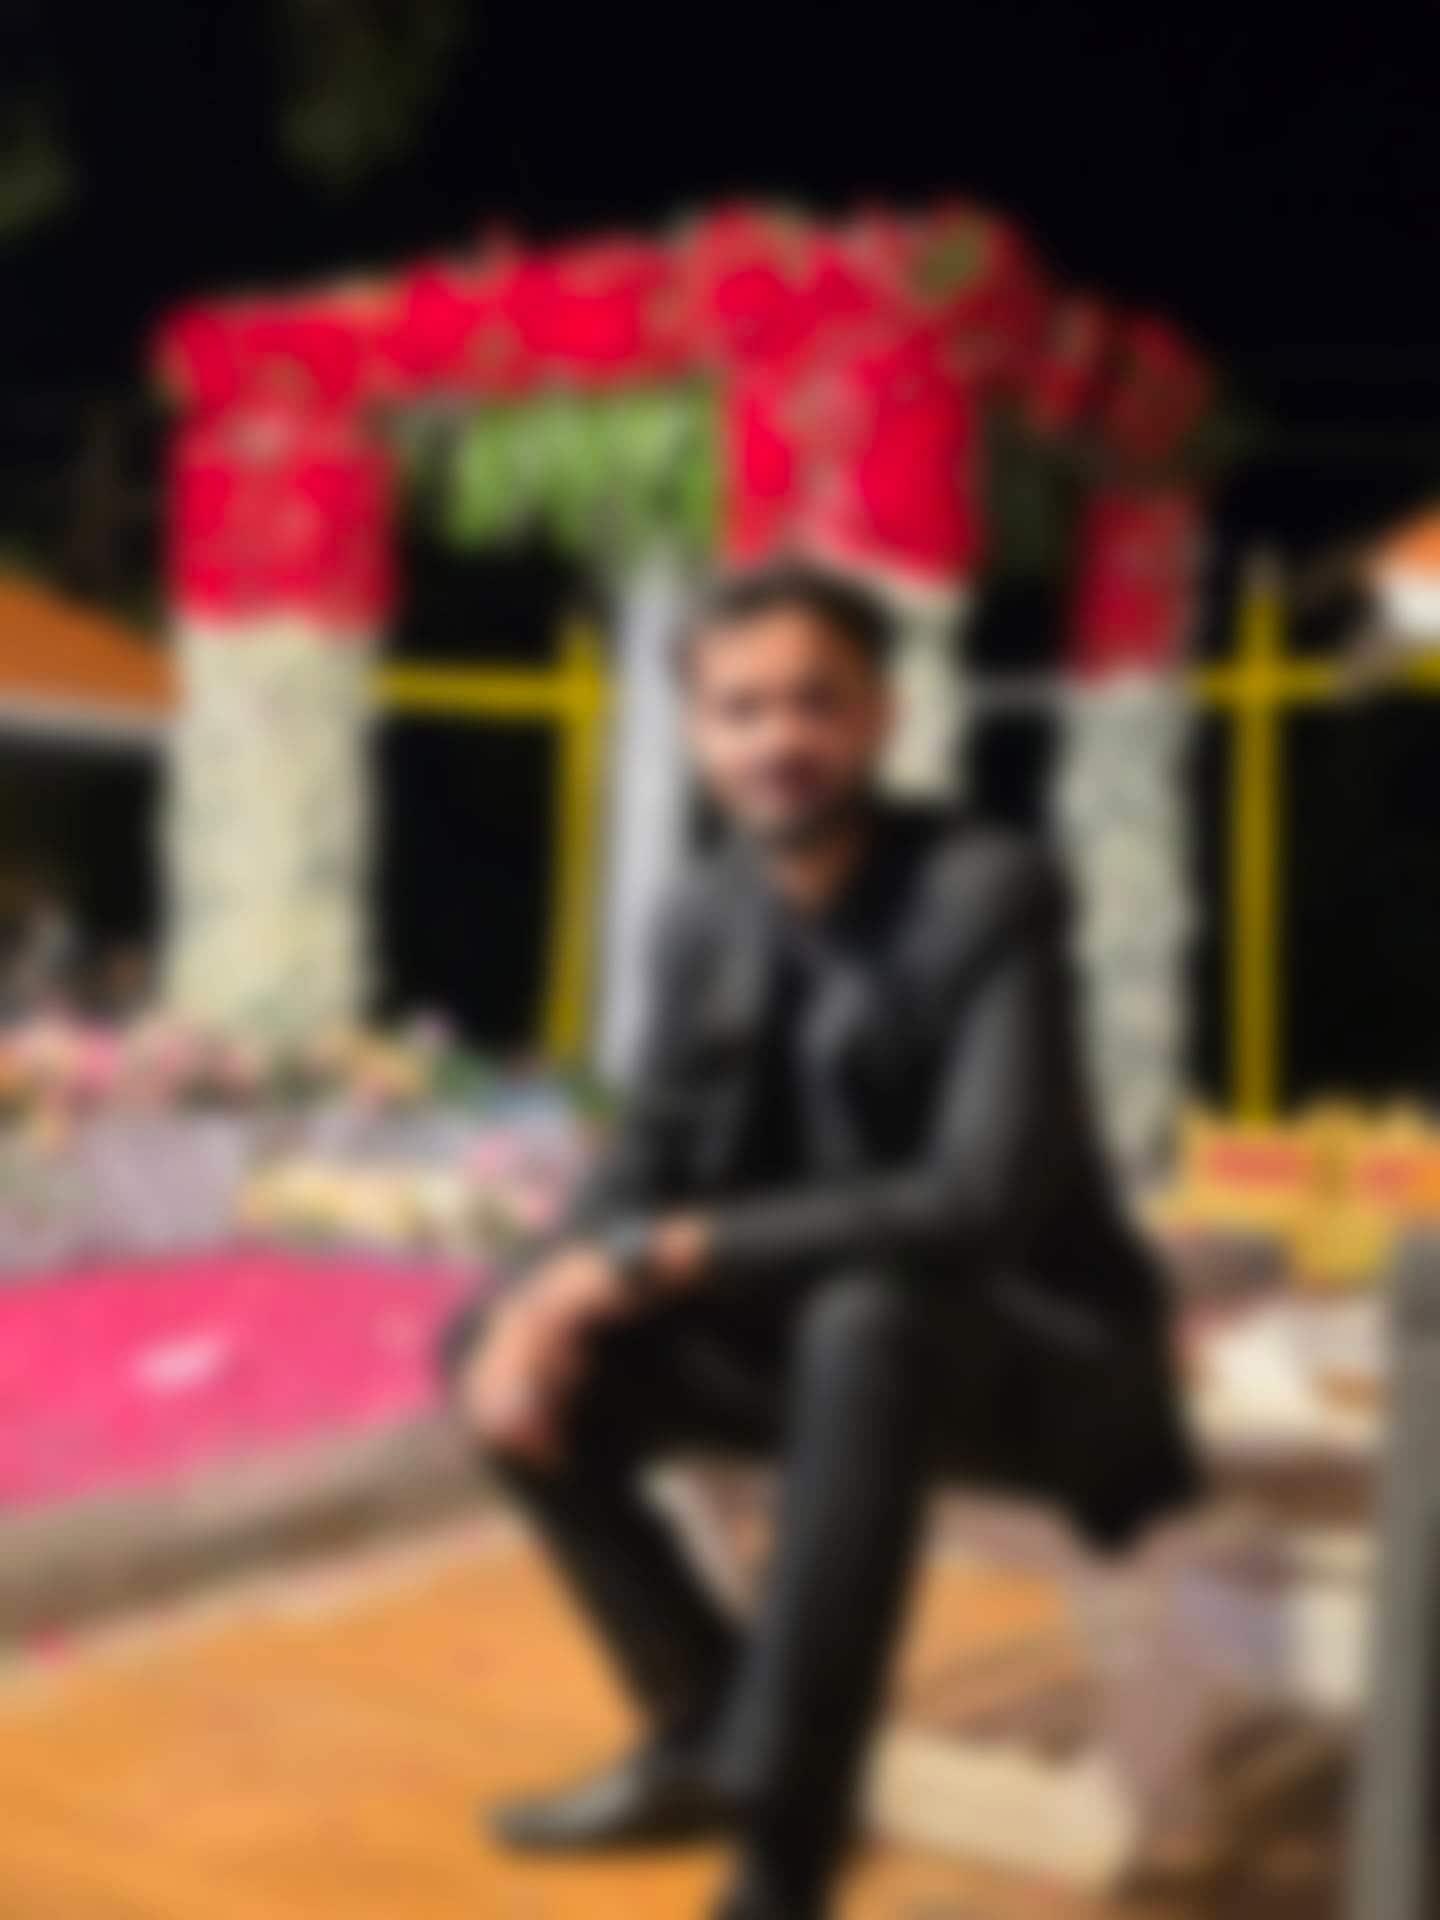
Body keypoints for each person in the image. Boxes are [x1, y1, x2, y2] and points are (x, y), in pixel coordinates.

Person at [448, 560, 1200, 1920]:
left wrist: (659, 1255)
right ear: (697, 733)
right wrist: (534, 1304)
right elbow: (644, 1161)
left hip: (1047, 1361)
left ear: (880, 716)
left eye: (816, 702)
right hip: (829, 1349)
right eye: (741, 709)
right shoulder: (700, 915)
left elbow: (974, 1200)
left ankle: (785, 1856)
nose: (779, 738)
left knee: (867, 1321)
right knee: (490, 1343)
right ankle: (703, 1721)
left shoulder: (989, 891)